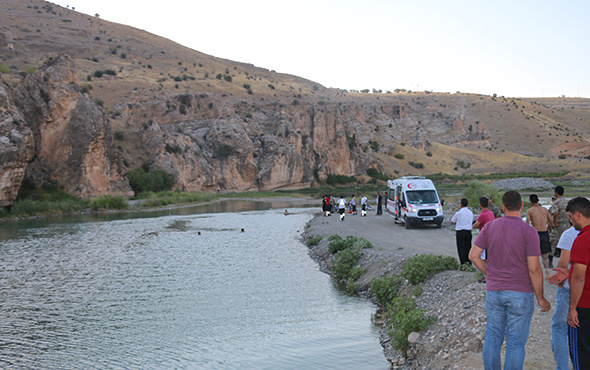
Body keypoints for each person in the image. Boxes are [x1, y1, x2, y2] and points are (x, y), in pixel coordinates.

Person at [469, 190, 551, 369]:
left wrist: (489, 273)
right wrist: (541, 297)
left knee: (492, 337)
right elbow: (534, 269)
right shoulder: (529, 232)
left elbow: (473, 255)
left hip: (494, 292)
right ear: (522, 206)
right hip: (520, 294)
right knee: (515, 343)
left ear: (503, 207)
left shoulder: (490, 227)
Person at [547, 220, 579, 370]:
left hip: (570, 290)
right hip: (585, 289)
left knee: (559, 329)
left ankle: (563, 367)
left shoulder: (570, 234)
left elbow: (563, 265)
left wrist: (561, 280)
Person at [565, 197, 590, 369]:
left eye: (570, 217)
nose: (570, 221)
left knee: (581, 353)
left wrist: (572, 308)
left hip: (584, 305)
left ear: (577, 214)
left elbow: (580, 276)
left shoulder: (582, 239)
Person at [526, 194, 554, 268]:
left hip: (535, 233)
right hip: (544, 233)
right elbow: (551, 220)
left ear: (530, 202)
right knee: (545, 255)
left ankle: (536, 270)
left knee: (534, 255)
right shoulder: (545, 209)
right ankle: (547, 271)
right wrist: (548, 228)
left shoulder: (529, 211)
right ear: (538, 200)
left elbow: (527, 224)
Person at [450, 198, 473, 265]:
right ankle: (468, 261)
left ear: (461, 204)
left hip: (460, 232)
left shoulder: (458, 213)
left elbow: (452, 221)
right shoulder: (470, 213)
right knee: (468, 247)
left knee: (461, 248)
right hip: (468, 231)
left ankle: (463, 262)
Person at [551, 186, 569, 259]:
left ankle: (550, 261)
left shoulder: (555, 202)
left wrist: (555, 223)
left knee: (553, 242)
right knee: (566, 242)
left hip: (559, 225)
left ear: (556, 193)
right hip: (567, 224)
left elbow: (555, 214)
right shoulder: (567, 202)